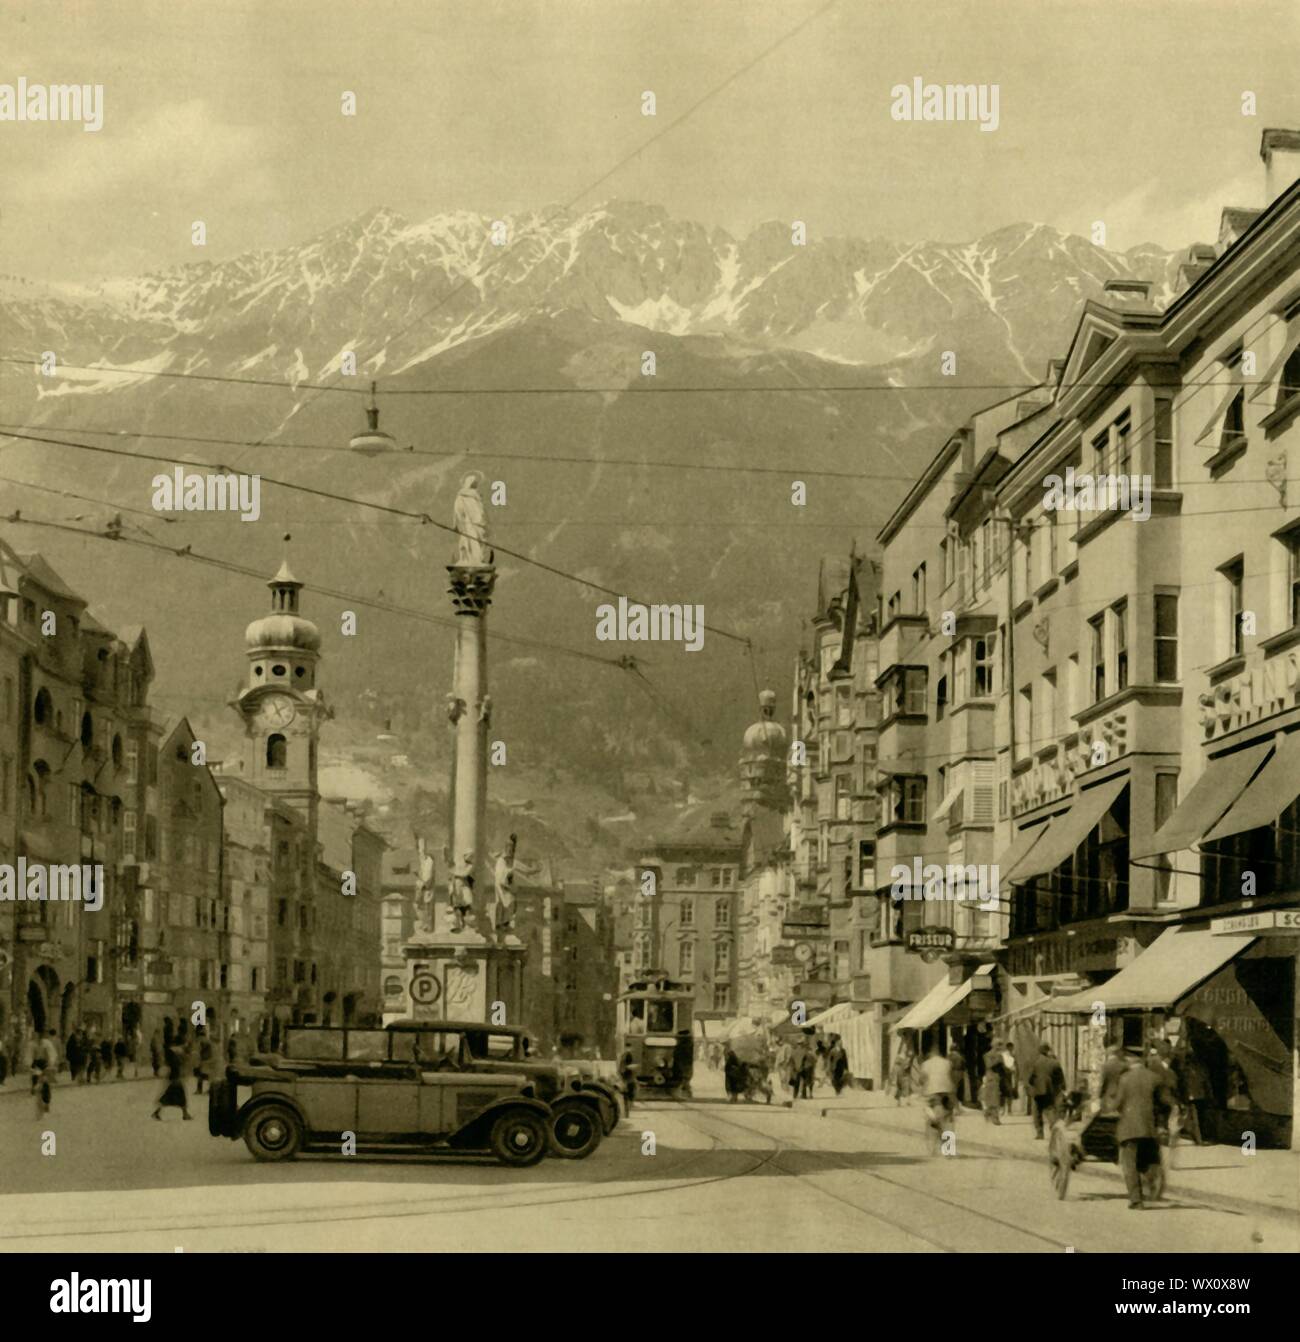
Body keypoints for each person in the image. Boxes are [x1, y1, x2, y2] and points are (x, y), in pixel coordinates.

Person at [1115, 1049, 1176, 1210]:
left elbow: (1118, 1103)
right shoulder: (1154, 1078)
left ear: (1130, 1061)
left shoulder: (1125, 1079)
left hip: (1129, 1128)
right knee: (1149, 1159)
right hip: (1149, 1128)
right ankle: (1152, 1183)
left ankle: (1136, 1200)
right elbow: (1165, 1102)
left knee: (1130, 1164)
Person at [1026, 1042, 1065, 1139]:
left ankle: (1040, 1133)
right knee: (1050, 1109)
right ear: (1048, 1051)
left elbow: (1030, 1078)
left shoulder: (1035, 1062)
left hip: (1037, 1091)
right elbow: (1060, 1079)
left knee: (1037, 1111)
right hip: (1050, 1090)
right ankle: (1054, 1129)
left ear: (1039, 1051)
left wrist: (1032, 1085)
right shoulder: (1055, 1063)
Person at [918, 1046, 956, 1144]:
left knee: (930, 1113)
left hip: (932, 1093)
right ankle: (948, 1150)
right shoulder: (948, 1063)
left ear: (929, 1055)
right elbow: (952, 1077)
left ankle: (934, 1125)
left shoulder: (925, 1064)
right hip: (947, 1092)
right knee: (948, 1118)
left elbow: (922, 1080)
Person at [152, 1042, 193, 1121]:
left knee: (168, 1098)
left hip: (174, 1079)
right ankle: (185, 1114)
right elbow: (177, 1067)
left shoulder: (176, 1053)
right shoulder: (178, 1055)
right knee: (181, 1098)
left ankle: (157, 1112)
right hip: (176, 1080)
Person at [980, 1041, 1005, 1124]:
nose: (1000, 1047)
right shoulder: (988, 1055)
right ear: (993, 1046)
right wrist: (998, 1060)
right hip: (991, 1078)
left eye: (1000, 1045)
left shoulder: (1000, 1055)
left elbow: (1003, 1067)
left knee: (995, 1098)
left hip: (998, 1078)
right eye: (998, 1045)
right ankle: (994, 1117)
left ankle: (989, 1114)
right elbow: (989, 1065)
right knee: (993, 1098)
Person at [947, 1041, 967, 1108]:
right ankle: (958, 1103)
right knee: (958, 1087)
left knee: (953, 1088)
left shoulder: (949, 1056)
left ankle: (954, 1105)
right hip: (959, 1072)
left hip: (952, 1072)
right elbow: (964, 1065)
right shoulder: (960, 1056)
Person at [618, 1049, 637, 1115]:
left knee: (626, 1093)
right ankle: (628, 1109)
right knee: (630, 1091)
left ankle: (627, 1111)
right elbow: (626, 1067)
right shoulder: (627, 1055)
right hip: (627, 1077)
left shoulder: (623, 1056)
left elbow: (621, 1068)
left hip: (626, 1077)